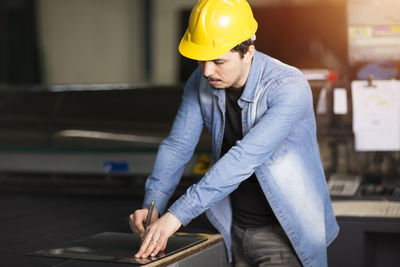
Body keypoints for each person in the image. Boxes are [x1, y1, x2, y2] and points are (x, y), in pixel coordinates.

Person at [129, 0, 339, 266]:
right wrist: (153, 206)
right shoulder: (201, 80)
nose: (206, 71)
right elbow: (177, 146)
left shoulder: (288, 87)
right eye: (201, 60)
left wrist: (176, 216)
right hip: (230, 227)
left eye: (218, 61)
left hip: (284, 234)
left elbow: (244, 158)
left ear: (248, 51)